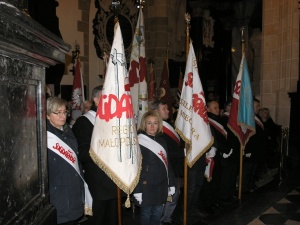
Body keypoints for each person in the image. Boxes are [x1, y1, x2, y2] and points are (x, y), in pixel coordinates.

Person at [72, 85, 118, 225]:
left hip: (114, 179)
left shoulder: (113, 120)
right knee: (98, 220)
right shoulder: (84, 122)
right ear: (97, 100)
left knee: (113, 219)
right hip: (97, 183)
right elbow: (82, 153)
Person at [46, 97, 84, 225]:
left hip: (74, 190)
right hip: (58, 195)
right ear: (47, 115)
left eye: (64, 112)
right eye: (58, 113)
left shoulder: (68, 130)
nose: (63, 116)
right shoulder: (45, 136)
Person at [134, 111, 176, 225]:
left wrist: (171, 183)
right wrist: (137, 190)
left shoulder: (162, 141)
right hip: (145, 187)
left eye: (155, 123)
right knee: (146, 215)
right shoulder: (139, 142)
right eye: (149, 123)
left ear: (159, 125)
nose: (152, 126)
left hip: (161, 186)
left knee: (158, 215)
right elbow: (136, 168)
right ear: (144, 124)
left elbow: (168, 165)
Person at [151, 100, 184, 224]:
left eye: (167, 108)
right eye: (164, 109)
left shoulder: (169, 125)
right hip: (165, 170)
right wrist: (184, 153)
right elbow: (165, 151)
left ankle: (167, 219)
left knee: (174, 197)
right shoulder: (156, 130)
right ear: (156, 112)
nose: (168, 111)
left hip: (175, 168)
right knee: (166, 197)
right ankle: (161, 220)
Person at [243, 98, 268, 192]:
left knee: (254, 169)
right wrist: (247, 150)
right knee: (247, 170)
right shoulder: (247, 118)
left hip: (257, 148)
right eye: (257, 106)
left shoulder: (256, 117)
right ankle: (244, 187)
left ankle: (251, 184)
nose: (259, 108)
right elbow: (246, 136)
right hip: (251, 149)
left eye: (258, 106)